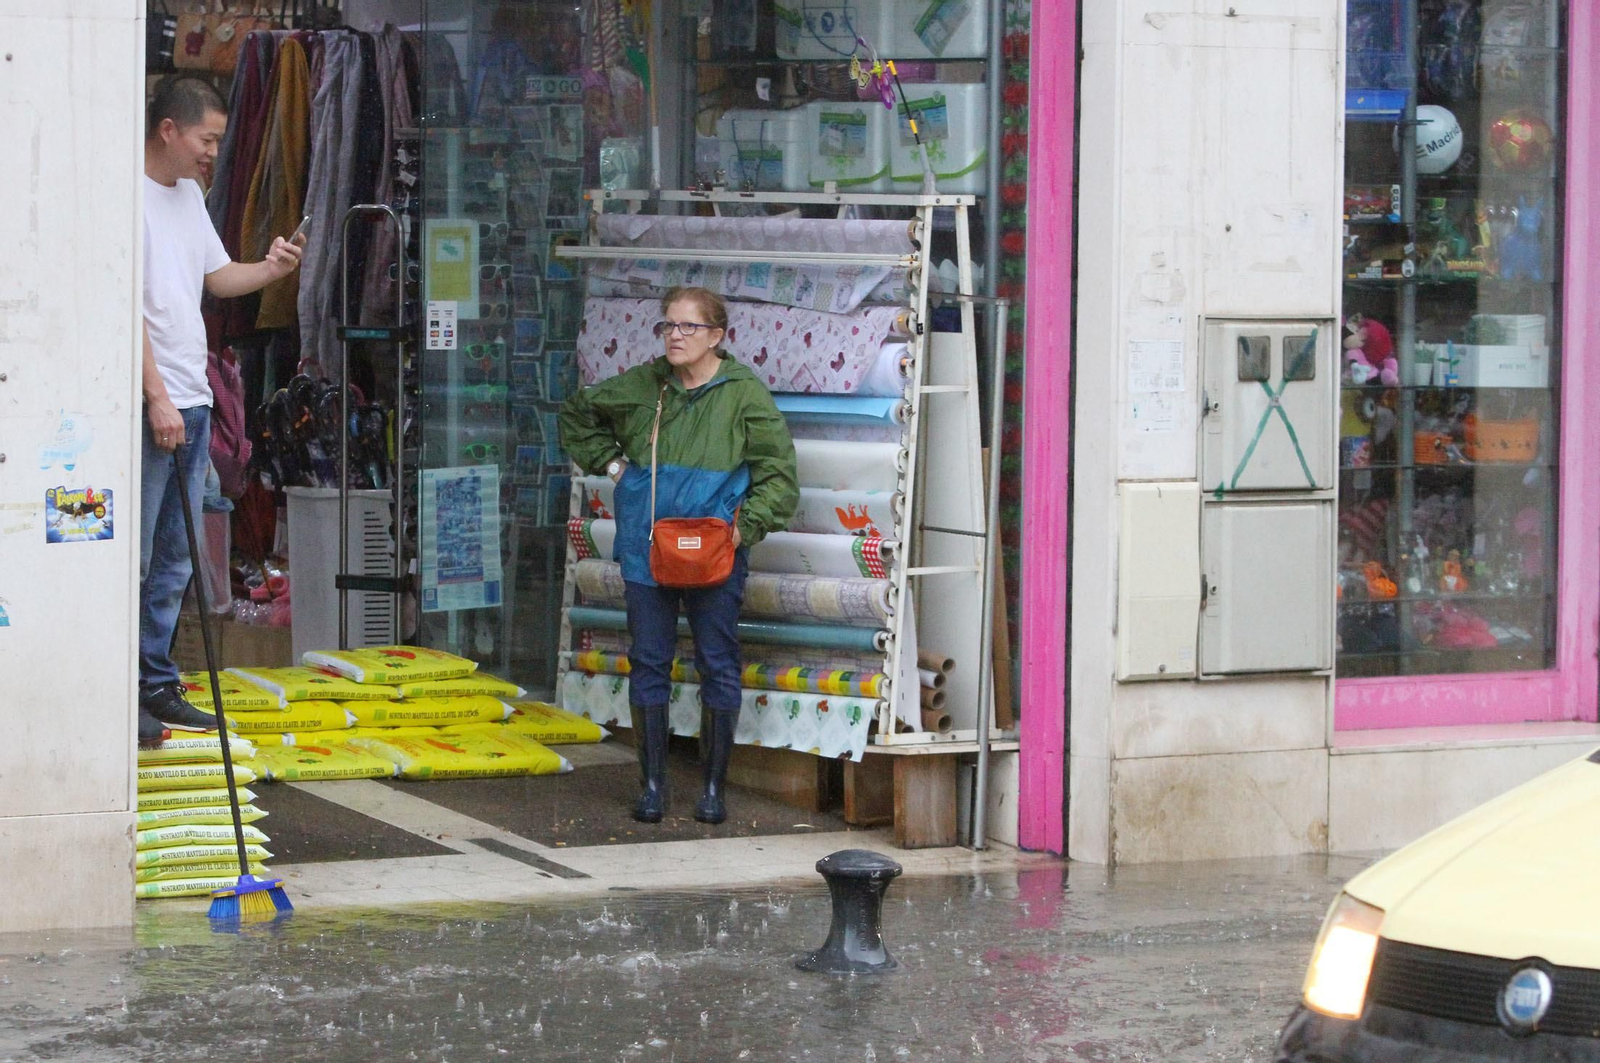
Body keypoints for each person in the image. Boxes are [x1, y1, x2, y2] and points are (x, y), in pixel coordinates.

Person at [560, 287, 798, 824]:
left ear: (717, 335)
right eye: (668, 325)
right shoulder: (644, 385)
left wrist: (742, 530)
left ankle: (713, 790)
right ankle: (652, 789)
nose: (675, 335)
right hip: (647, 550)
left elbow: (780, 477)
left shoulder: (743, 394)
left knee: (718, 662)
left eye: (688, 326)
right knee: (648, 661)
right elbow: (577, 413)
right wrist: (616, 468)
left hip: (715, 556)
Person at [139, 77, 305, 743]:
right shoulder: (125, 195)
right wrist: (156, 396)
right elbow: (122, 307)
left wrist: (270, 270)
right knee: (139, 559)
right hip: (155, 404)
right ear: (169, 130)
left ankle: (156, 683)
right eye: (207, 139)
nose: (214, 152)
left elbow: (215, 276)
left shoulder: (190, 195)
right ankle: (125, 689)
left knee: (176, 559)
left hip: (194, 398)